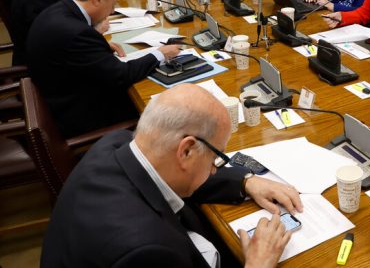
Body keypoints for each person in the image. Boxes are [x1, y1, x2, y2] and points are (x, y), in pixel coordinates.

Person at [40, 83, 303, 268]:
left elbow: (169, 172)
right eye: (215, 158)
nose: (214, 168)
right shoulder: (148, 251)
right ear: (186, 150)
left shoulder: (117, 144)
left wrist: (246, 181)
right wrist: (258, 264)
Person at [26, 0, 180, 139]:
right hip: (84, 117)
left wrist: (99, 49)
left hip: (62, 95)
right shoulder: (77, 33)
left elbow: (76, 54)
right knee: (168, 109)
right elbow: (122, 75)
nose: (113, 11)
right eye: (113, 3)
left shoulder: (60, 9)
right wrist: (160, 54)